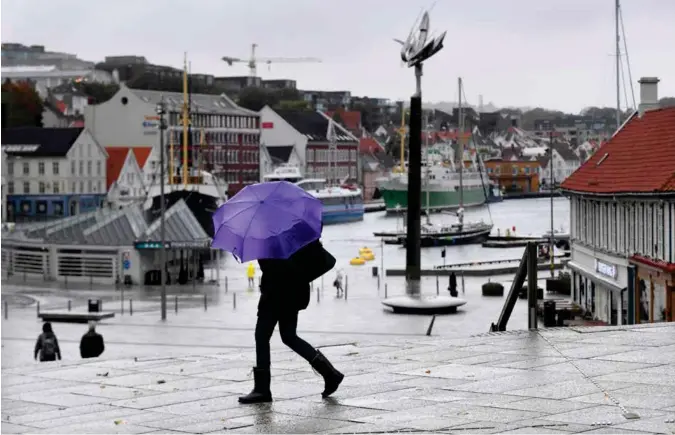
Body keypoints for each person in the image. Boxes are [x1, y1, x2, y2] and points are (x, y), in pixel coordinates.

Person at [239, 256, 344, 404]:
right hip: (292, 293)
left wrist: (262, 257)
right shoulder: (292, 239)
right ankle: (330, 374)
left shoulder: (270, 240)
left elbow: (271, 268)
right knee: (289, 336)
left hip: (275, 295)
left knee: (262, 336)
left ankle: (262, 389)